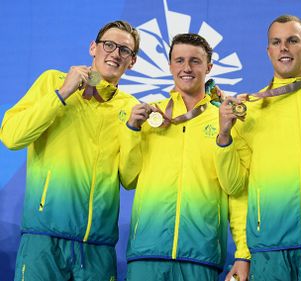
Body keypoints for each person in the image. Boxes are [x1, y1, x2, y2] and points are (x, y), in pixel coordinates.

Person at [0, 20, 141, 280]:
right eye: (108, 44)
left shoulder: (130, 107)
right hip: (43, 239)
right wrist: (63, 93)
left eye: (125, 50)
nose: (115, 53)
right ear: (92, 48)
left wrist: (132, 129)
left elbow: (130, 179)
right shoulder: (53, 81)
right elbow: (11, 136)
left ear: (132, 61)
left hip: (97, 248)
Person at [216, 15, 301, 280]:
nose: (283, 48)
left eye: (292, 40)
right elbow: (235, 189)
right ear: (268, 51)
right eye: (276, 42)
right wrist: (223, 135)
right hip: (267, 250)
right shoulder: (250, 109)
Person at [123, 33, 250, 281]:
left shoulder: (225, 118)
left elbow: (235, 188)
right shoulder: (151, 116)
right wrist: (132, 131)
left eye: (195, 61)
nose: (186, 68)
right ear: (170, 65)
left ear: (209, 67)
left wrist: (243, 253)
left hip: (200, 256)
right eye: (179, 60)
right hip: (146, 254)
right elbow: (128, 179)